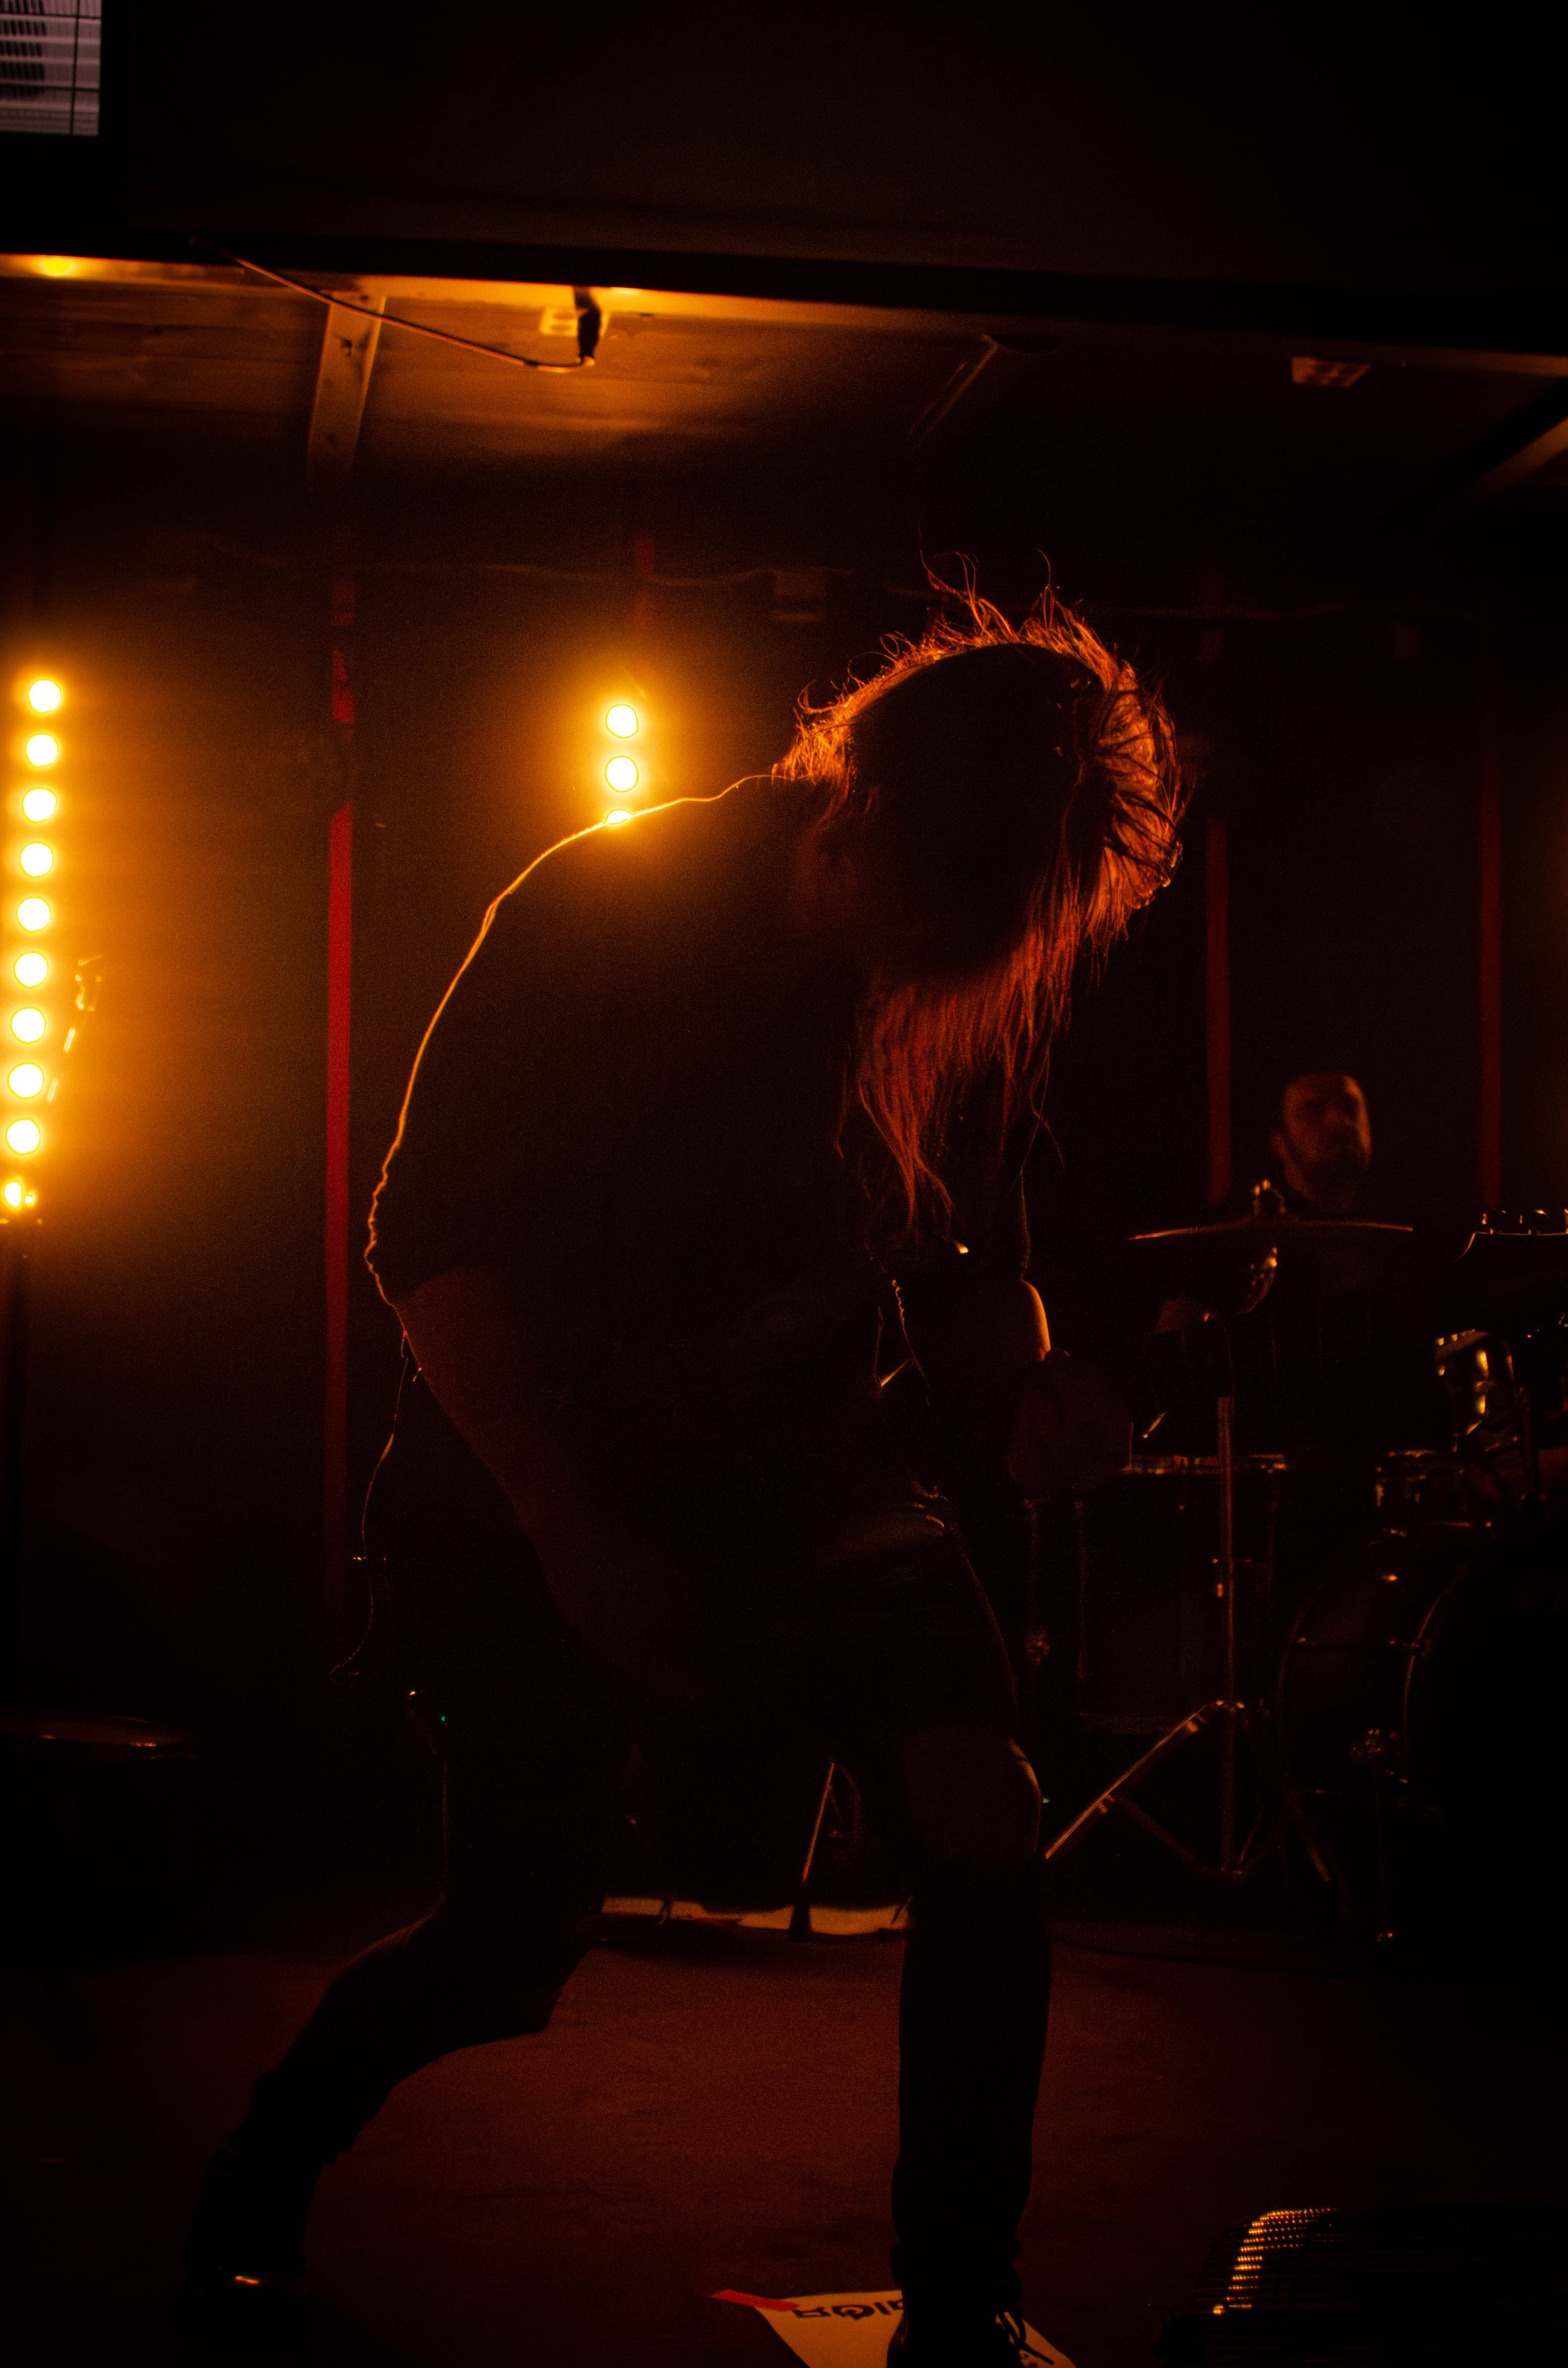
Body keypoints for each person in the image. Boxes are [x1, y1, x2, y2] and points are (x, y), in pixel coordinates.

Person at [182, 589, 1183, 2364]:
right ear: (859, 815)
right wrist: (575, 1540)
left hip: (812, 1476)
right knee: (507, 1943)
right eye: (946, 920)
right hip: (537, 1475)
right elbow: (431, 1248)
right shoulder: (606, 906)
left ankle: (963, 2307)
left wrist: (1032, 1377)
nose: (953, 969)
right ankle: (257, 2174)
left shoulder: (974, 953)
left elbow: (969, 1253)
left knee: (985, 1821)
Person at [1265, 1070, 1373, 1217]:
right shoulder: (1252, 1233)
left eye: (1349, 1107)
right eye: (1313, 1110)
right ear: (1279, 1142)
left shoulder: (1401, 1224)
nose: (1340, 1121)